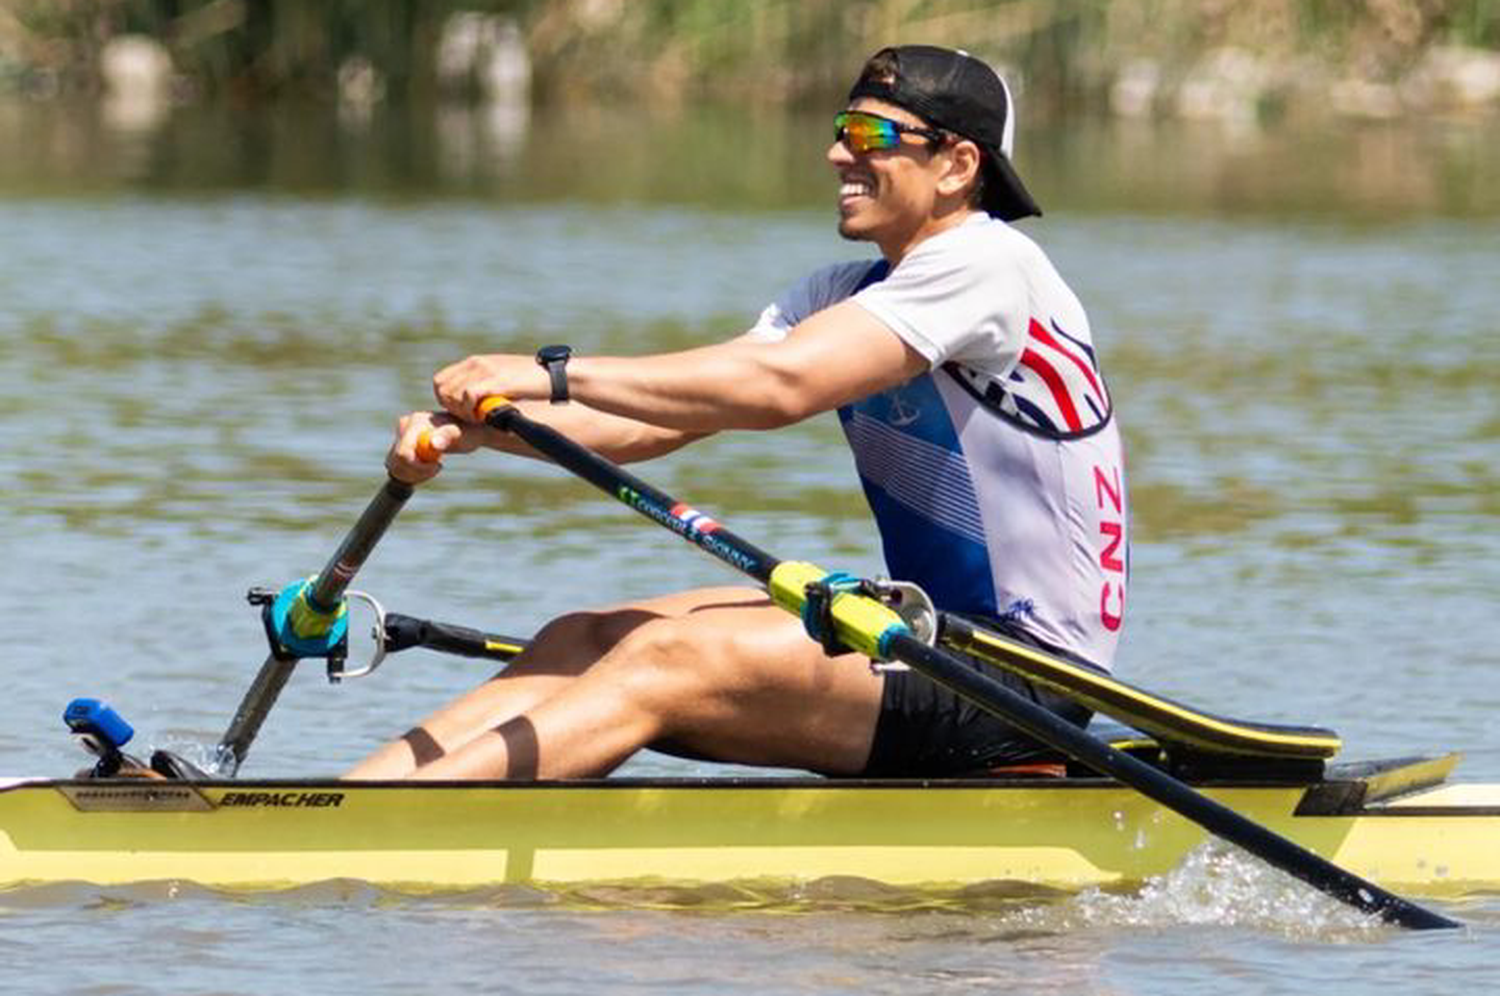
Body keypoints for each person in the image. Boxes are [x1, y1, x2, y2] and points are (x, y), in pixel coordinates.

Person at [345, 44, 1128, 782]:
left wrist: (551, 375)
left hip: (1025, 677)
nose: (837, 154)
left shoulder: (988, 264)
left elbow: (777, 387)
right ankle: (340, 800)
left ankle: (368, 835)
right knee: (580, 639)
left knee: (672, 657)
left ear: (958, 165)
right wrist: (481, 431)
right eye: (839, 130)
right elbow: (656, 422)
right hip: (927, 635)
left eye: (870, 134)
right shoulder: (843, 292)